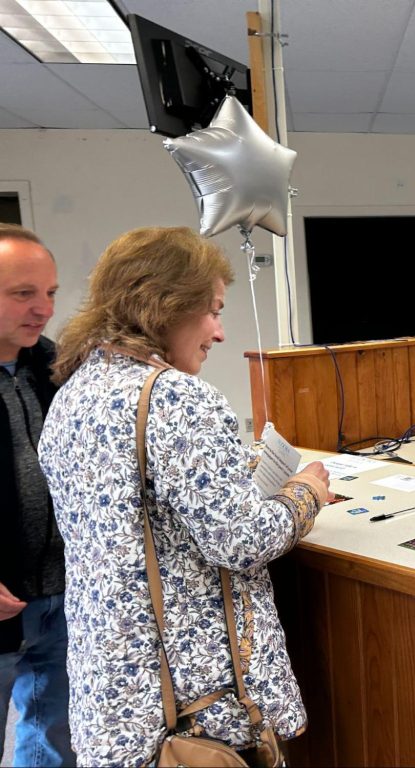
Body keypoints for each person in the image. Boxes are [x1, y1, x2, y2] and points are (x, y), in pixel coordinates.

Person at [36, 226, 331, 767]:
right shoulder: (178, 397)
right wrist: (304, 493)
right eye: (213, 310)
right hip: (194, 702)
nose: (219, 332)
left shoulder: (74, 393)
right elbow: (241, 541)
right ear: (166, 306)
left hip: (115, 690)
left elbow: (132, 506)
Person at [0, 224, 75, 767]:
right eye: (23, 293)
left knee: (55, 745)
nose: (43, 308)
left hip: (62, 597)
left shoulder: (53, 366)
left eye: (50, 292)